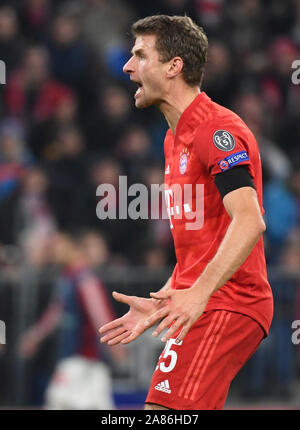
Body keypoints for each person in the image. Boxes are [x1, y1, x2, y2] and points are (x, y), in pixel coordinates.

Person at [99, 15, 273, 410]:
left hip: (231, 301)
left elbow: (249, 220)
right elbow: (203, 240)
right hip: (200, 301)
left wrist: (198, 292)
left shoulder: (217, 130)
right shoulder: (172, 140)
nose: (128, 66)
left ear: (174, 66)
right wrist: (167, 299)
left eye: (141, 55)